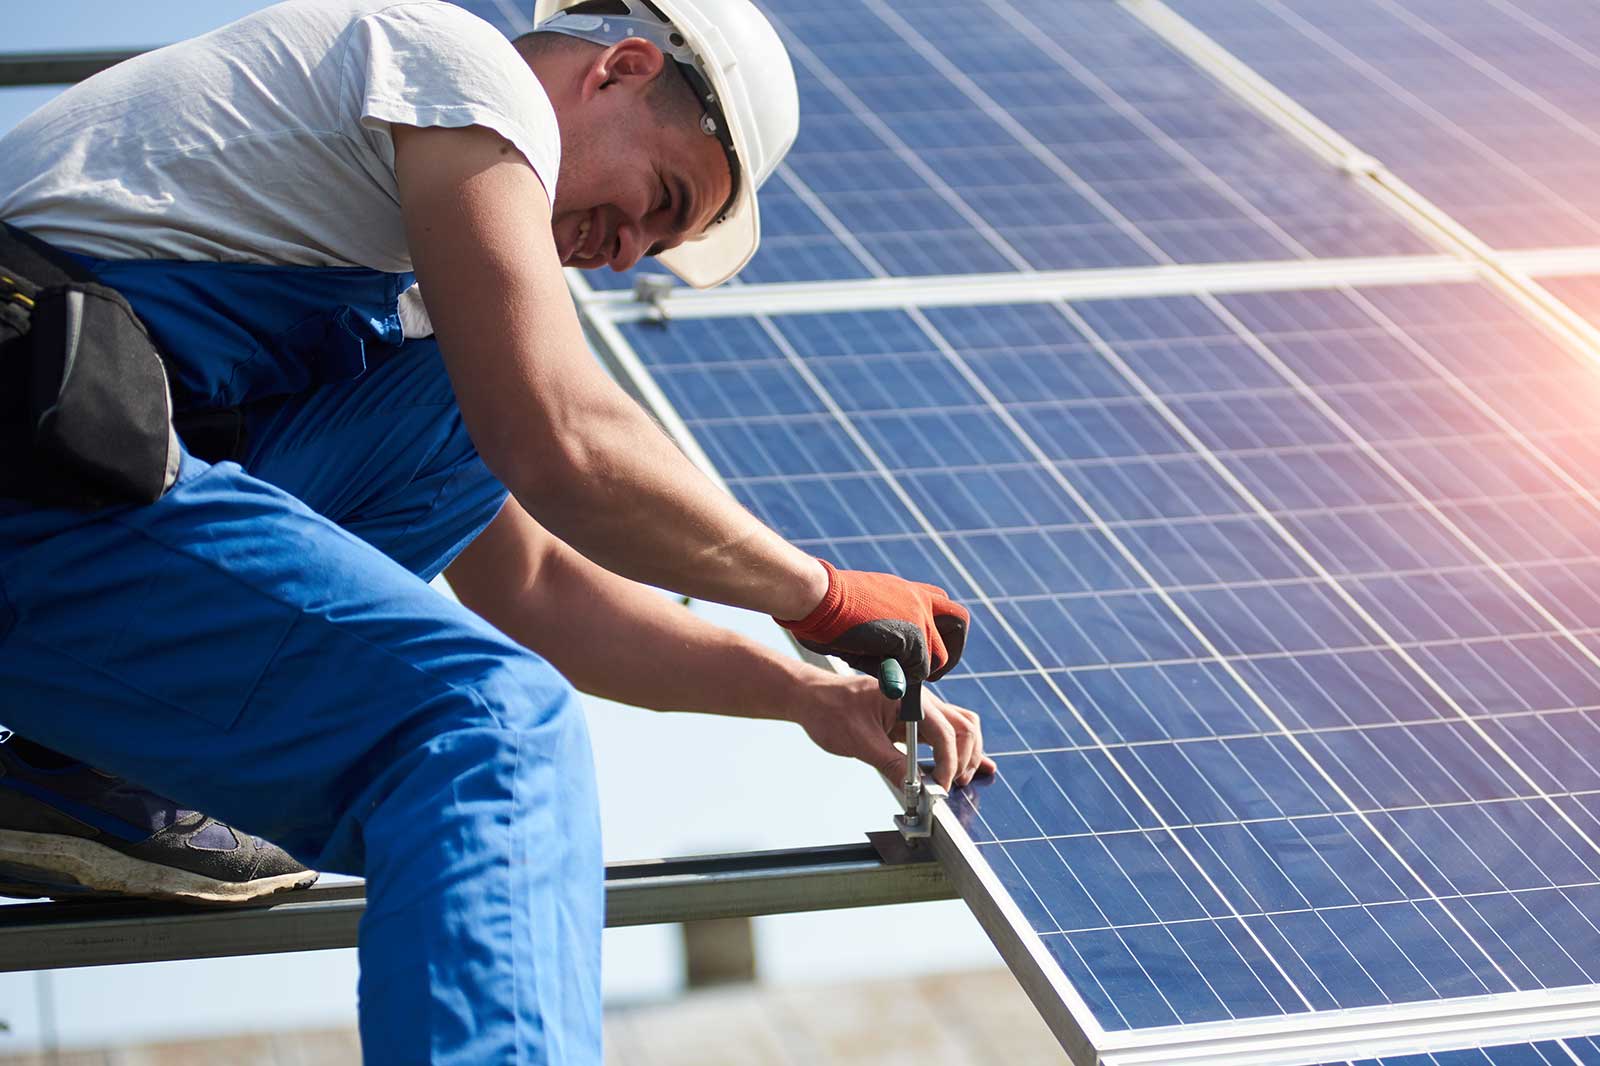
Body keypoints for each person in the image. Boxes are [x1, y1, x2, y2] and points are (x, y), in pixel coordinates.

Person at [0, 0, 993, 1062]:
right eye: (659, 200)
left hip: (77, 468)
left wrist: (801, 692)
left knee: (454, 408)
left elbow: (534, 585)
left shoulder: (400, 285)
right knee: (489, 727)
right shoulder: (459, 68)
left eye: (660, 243)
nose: (625, 255)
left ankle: (70, 777)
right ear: (619, 66)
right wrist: (823, 597)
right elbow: (562, 438)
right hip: (39, 445)